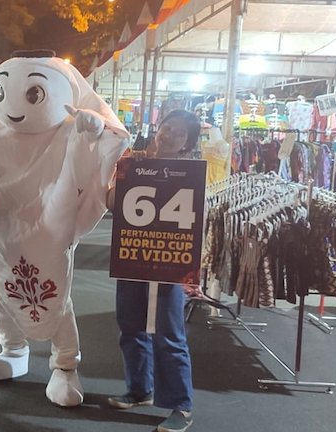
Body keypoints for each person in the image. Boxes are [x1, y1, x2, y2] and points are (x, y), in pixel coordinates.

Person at [106, 110, 201, 432]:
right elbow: (110, 202)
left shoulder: (190, 173)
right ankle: (139, 389)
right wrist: (126, 174)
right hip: (133, 255)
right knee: (129, 325)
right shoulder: (133, 161)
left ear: (187, 143)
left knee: (169, 333)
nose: (168, 134)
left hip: (169, 263)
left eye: (178, 132)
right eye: (166, 127)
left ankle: (182, 406)